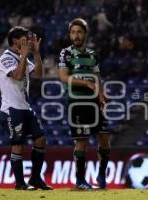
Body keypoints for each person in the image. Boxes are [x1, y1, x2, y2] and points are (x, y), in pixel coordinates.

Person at [0, 26, 52, 190]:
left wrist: (35, 53)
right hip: (11, 109)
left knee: (41, 139)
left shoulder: (24, 58)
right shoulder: (5, 58)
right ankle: (20, 183)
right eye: (25, 38)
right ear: (15, 40)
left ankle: (35, 179)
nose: (28, 41)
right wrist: (25, 55)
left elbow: (39, 74)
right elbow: (18, 75)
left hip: (25, 107)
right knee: (17, 143)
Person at [58, 18, 111, 190]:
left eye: (79, 32)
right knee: (82, 142)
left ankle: (101, 175)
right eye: (73, 32)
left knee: (104, 139)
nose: (76, 35)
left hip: (94, 103)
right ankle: (80, 180)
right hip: (77, 102)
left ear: (85, 34)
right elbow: (64, 77)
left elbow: (97, 78)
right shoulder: (66, 53)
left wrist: (101, 94)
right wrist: (87, 84)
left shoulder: (92, 54)